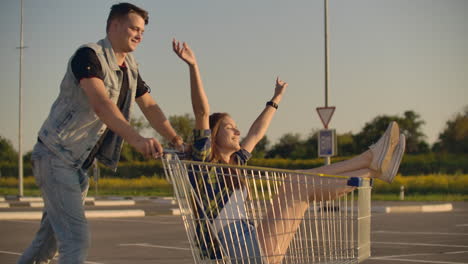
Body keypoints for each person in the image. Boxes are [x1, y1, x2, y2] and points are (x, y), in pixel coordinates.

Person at [172, 39, 405, 264]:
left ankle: (371, 167)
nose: (237, 130)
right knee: (295, 183)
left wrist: (275, 99)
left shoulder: (236, 163)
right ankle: (370, 160)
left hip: (253, 243)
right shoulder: (202, 165)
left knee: (300, 183)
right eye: (229, 127)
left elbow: (256, 133)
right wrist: (193, 66)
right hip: (247, 252)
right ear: (213, 135)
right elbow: (202, 112)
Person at [18, 3, 184, 264]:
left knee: (45, 247)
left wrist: (176, 140)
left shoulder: (130, 67)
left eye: (142, 31)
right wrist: (137, 139)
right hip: (55, 155)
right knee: (76, 241)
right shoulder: (89, 56)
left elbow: (149, 105)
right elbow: (101, 103)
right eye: (133, 28)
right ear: (114, 25)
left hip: (77, 166)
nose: (139, 35)